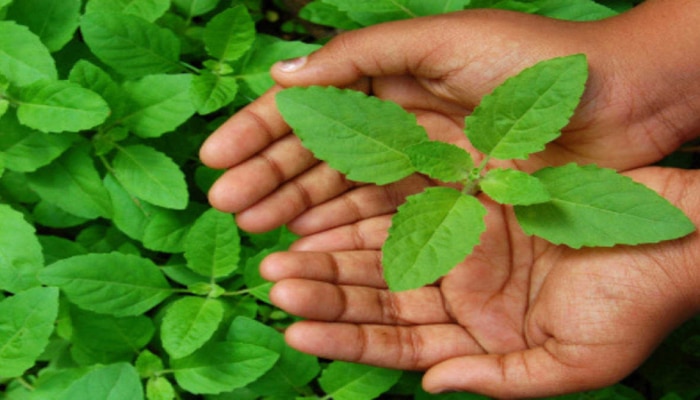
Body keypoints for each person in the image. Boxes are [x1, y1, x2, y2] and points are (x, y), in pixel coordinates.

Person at [200, 0, 700, 397]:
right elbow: (558, 79)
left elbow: (559, 82)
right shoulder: (454, 166)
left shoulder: (516, 186)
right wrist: (655, 65)